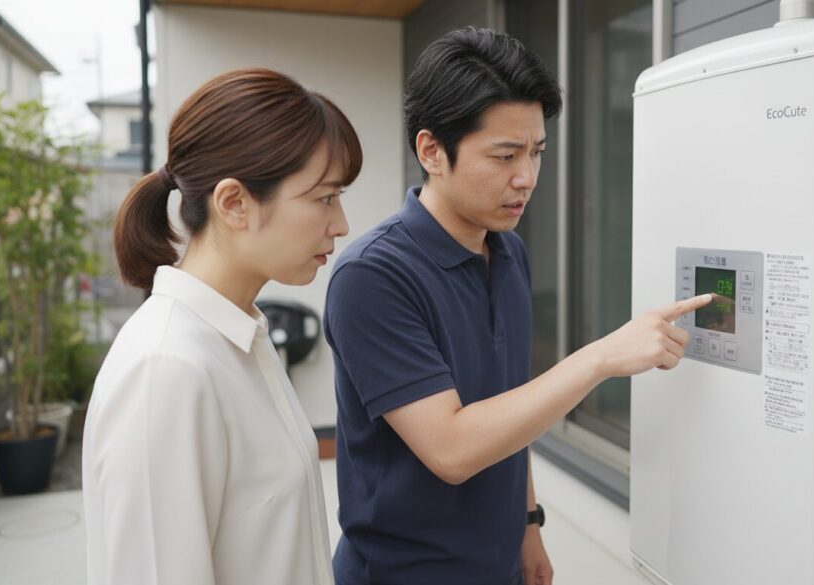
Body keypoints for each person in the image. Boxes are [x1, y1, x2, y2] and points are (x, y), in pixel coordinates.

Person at [324, 28, 711, 585]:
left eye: (535, 152)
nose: (526, 178)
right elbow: (452, 448)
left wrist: (529, 524)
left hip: (500, 563)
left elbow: (507, 404)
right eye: (504, 155)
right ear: (431, 151)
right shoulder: (374, 276)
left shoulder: (507, 251)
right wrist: (600, 357)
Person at [82, 68, 362, 585]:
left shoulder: (241, 337)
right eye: (325, 197)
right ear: (234, 204)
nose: (341, 223)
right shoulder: (165, 370)